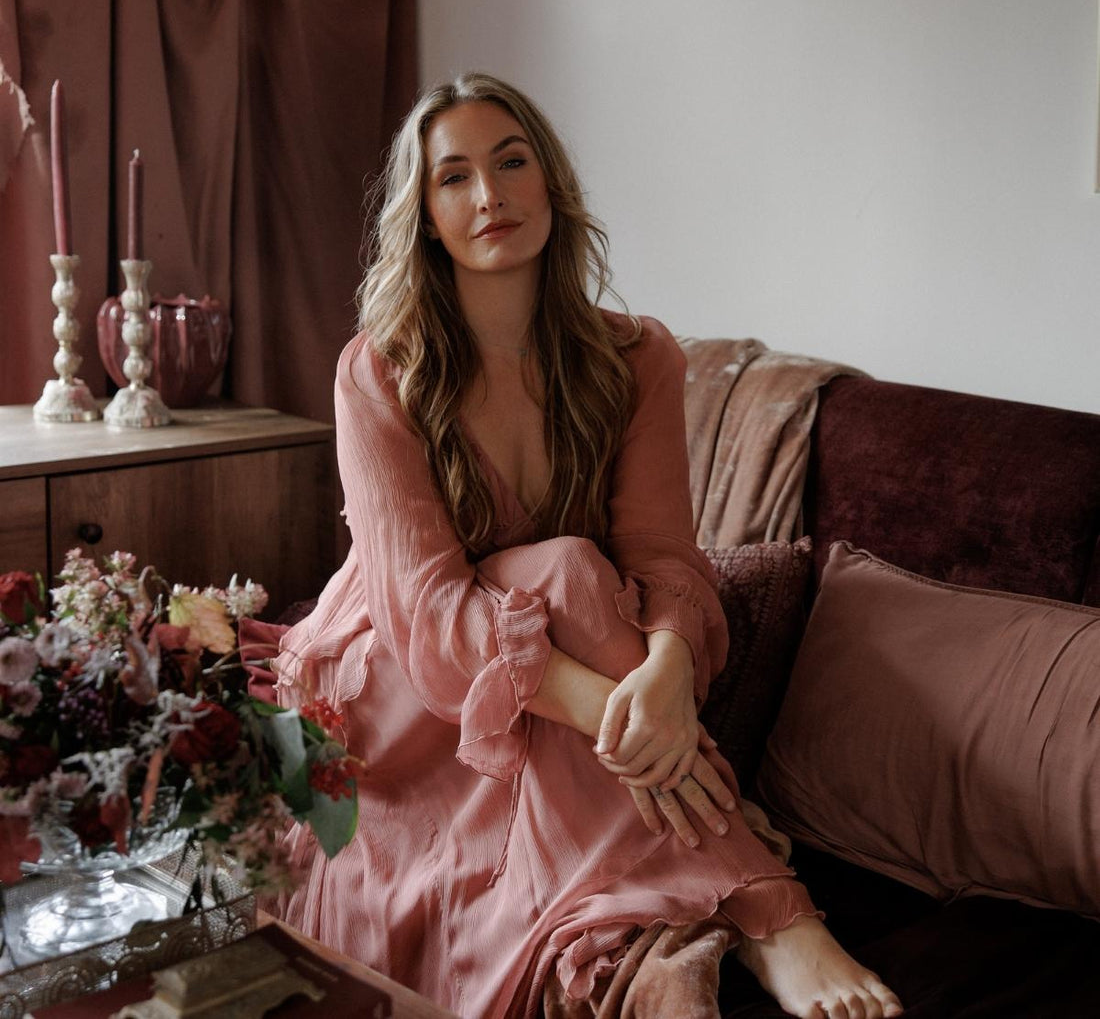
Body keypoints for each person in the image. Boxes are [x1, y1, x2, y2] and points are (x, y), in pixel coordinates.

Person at [269, 72, 903, 1019]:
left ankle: (646, 958)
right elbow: (430, 615)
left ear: (551, 185)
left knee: (571, 572)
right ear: (425, 217)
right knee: (566, 571)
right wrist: (639, 721)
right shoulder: (380, 370)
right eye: (454, 178)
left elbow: (664, 560)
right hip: (399, 683)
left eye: (511, 162)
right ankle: (769, 909)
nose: (490, 196)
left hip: (551, 664)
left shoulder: (637, 357)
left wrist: (671, 669)